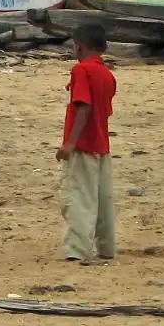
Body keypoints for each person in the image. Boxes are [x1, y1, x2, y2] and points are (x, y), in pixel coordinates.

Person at [56, 23, 116, 261]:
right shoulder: (107, 74)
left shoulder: (81, 70)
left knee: (80, 197)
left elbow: (84, 107)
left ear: (80, 46)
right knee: (103, 199)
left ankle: (77, 250)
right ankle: (106, 248)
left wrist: (70, 143)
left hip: (83, 144)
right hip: (102, 144)